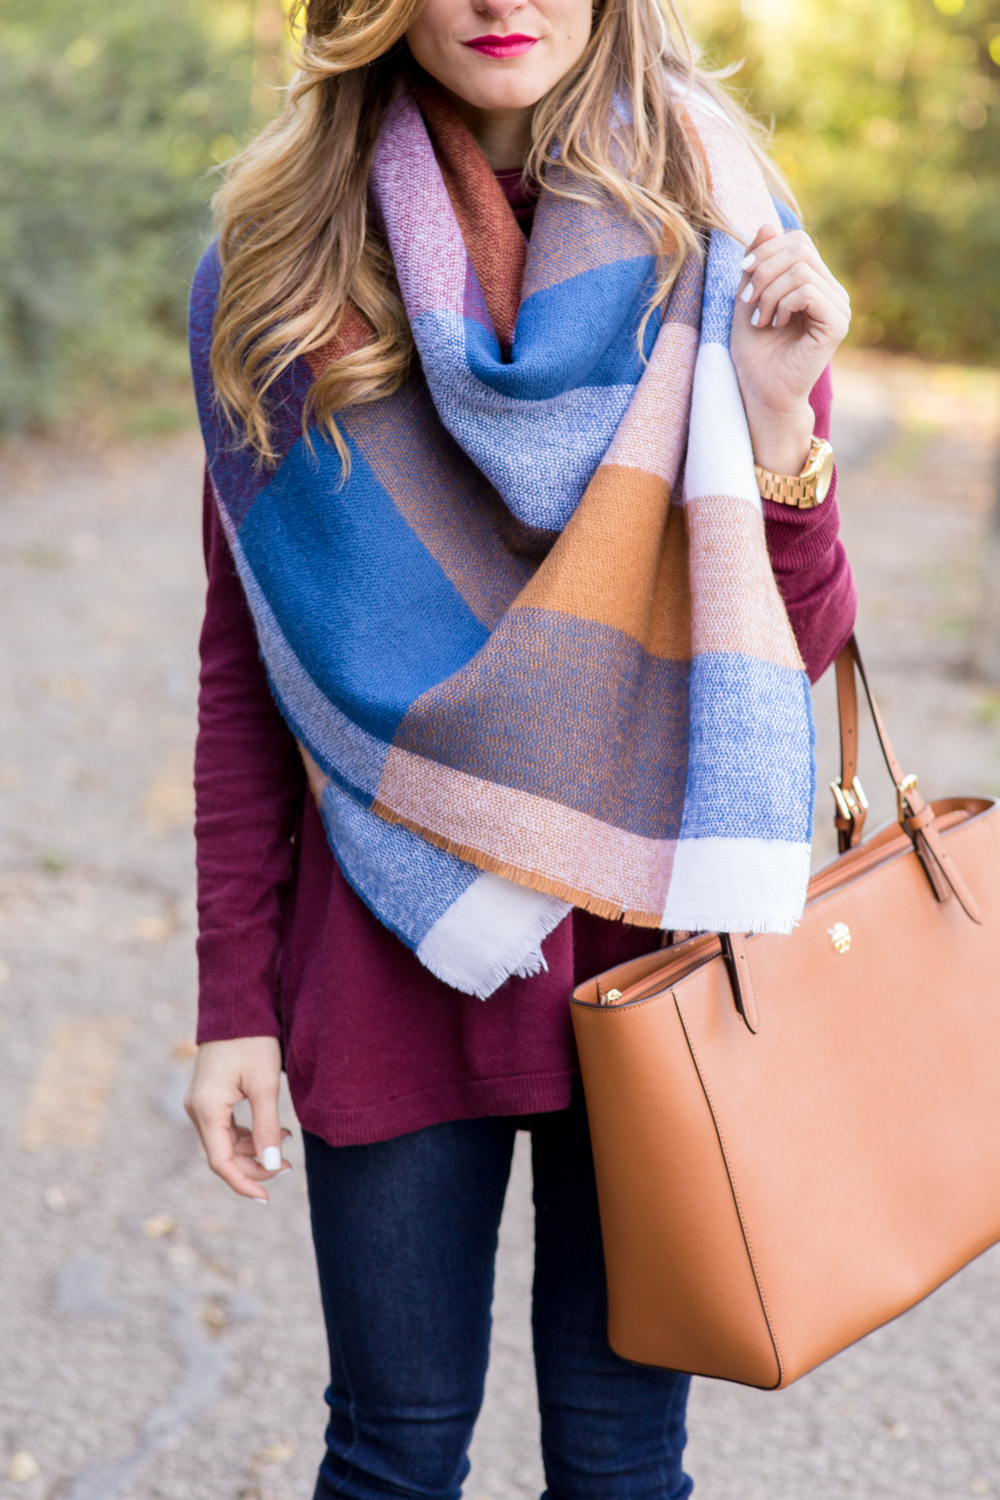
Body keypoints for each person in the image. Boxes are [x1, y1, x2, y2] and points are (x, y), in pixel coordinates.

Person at [185, 0, 855, 1492]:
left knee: (624, 1461)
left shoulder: (721, 232)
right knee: (393, 1456)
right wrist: (234, 998)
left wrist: (769, 417)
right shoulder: (284, 270)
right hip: (394, 944)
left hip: (649, 938)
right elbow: (250, 670)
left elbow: (794, 642)